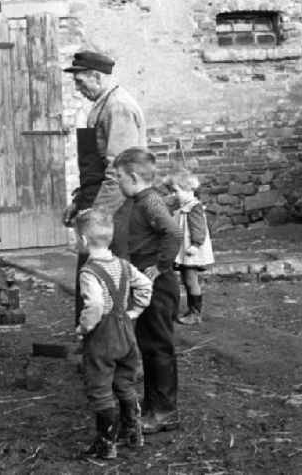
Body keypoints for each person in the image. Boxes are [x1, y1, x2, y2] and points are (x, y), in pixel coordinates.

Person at [62, 51, 147, 327]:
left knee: (109, 276)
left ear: (96, 77)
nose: (77, 88)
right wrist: (79, 200)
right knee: (90, 272)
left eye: (80, 82)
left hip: (116, 208)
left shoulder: (118, 107)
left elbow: (118, 173)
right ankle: (92, 340)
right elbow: (94, 167)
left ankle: (114, 344)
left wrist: (96, 218)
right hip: (98, 200)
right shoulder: (102, 104)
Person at [110, 147, 183, 434]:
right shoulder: (137, 201)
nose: (117, 182)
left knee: (159, 346)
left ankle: (165, 412)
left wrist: (160, 265)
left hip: (158, 285)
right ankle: (153, 406)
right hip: (144, 282)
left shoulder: (150, 202)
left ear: (133, 176)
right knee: (149, 346)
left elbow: (174, 233)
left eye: (119, 177)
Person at [74, 209, 152, 459]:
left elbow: (95, 305)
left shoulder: (89, 272)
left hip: (103, 337)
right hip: (126, 332)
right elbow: (146, 285)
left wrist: (84, 327)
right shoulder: (123, 265)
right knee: (124, 383)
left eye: (77, 238)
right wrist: (135, 311)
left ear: (84, 241)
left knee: (100, 388)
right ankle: (134, 432)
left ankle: (106, 443)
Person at [165, 168, 215, 325]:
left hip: (191, 250)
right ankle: (191, 310)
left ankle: (195, 313)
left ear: (189, 189)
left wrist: (195, 244)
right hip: (184, 249)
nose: (173, 195)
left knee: (191, 279)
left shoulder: (194, 207)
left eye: (176, 191)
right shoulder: (182, 206)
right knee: (186, 279)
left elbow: (198, 228)